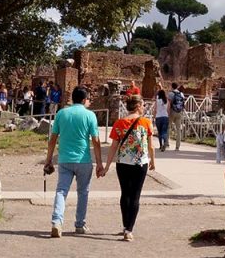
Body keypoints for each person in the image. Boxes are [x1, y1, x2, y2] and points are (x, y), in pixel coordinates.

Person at [45, 86, 103, 238]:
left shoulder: (61, 113)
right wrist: (99, 163)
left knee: (61, 191)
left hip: (64, 158)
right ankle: (80, 224)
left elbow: (52, 140)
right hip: (83, 160)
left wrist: (48, 160)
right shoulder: (90, 115)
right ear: (84, 100)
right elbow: (96, 141)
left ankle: (57, 221)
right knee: (83, 192)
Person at [102, 95, 155, 241]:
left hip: (123, 163)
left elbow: (113, 147)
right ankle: (129, 229)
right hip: (140, 163)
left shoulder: (119, 123)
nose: (144, 107)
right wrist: (153, 161)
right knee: (135, 195)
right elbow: (151, 146)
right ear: (138, 106)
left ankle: (125, 225)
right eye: (143, 105)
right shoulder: (146, 123)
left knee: (125, 194)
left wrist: (107, 166)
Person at [169, 83, 185, 151]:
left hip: (172, 111)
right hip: (179, 112)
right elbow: (183, 103)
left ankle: (167, 143)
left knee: (168, 128)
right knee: (178, 129)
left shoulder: (171, 94)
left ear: (171, 87)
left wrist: (168, 112)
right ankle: (177, 146)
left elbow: (169, 104)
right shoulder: (181, 94)